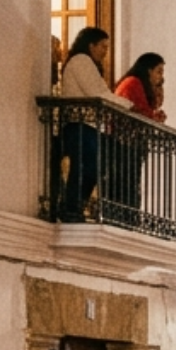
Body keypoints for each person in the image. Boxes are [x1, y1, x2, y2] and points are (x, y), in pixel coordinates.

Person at [51, 26, 121, 220]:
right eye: (103, 46)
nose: (105, 51)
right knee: (86, 167)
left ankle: (74, 206)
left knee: (90, 167)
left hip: (87, 124)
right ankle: (71, 207)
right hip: (79, 123)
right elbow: (96, 92)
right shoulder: (81, 61)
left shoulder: (88, 64)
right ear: (91, 45)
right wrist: (128, 106)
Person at [113, 53, 167, 123]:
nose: (161, 77)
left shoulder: (140, 84)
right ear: (149, 71)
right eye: (159, 72)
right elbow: (140, 113)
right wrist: (154, 117)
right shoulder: (133, 82)